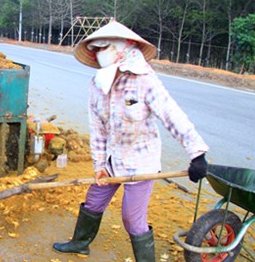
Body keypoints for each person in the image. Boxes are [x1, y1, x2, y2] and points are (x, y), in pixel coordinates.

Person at [52, 21, 209, 261]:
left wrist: (196, 153)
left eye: (102, 48)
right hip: (113, 159)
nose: (97, 54)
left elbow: (171, 115)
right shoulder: (97, 84)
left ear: (121, 49)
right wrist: (100, 165)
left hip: (141, 161)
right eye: (95, 49)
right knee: (94, 200)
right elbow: (97, 130)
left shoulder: (145, 80)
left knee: (132, 219)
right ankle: (80, 243)